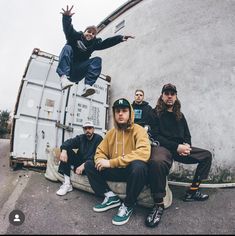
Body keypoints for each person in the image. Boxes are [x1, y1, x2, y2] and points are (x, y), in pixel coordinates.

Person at [145, 83, 212, 228]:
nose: (169, 96)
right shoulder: (154, 113)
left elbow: (187, 135)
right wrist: (176, 147)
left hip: (180, 149)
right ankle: (158, 204)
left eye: (172, 93)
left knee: (206, 156)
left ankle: (192, 191)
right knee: (157, 161)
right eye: (167, 93)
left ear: (175, 96)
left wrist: (187, 146)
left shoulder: (180, 116)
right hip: (163, 148)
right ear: (162, 96)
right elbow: (155, 136)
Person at [84, 98, 151, 226]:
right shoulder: (111, 133)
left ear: (130, 113)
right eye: (117, 111)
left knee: (139, 166)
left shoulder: (139, 130)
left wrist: (110, 163)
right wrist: (100, 160)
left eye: (124, 111)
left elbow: (143, 153)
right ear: (114, 114)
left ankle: (128, 204)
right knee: (89, 164)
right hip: (116, 170)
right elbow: (100, 151)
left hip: (131, 171)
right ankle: (110, 196)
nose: (120, 114)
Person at [56, 5, 135, 97]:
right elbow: (68, 28)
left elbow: (106, 43)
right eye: (89, 31)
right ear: (84, 32)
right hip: (68, 69)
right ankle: (63, 78)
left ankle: (88, 86)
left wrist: (120, 38)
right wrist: (66, 17)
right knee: (67, 48)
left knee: (97, 60)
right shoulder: (75, 36)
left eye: (93, 34)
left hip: (78, 72)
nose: (90, 34)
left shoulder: (94, 43)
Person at [56, 120, 103, 196]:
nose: (87, 130)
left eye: (90, 128)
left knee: (92, 162)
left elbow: (97, 155)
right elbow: (69, 142)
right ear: (83, 129)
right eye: (85, 128)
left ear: (93, 129)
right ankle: (67, 184)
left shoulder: (98, 139)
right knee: (67, 150)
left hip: (90, 165)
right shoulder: (81, 138)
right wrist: (64, 151)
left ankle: (70, 167)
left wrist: (83, 165)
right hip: (79, 161)